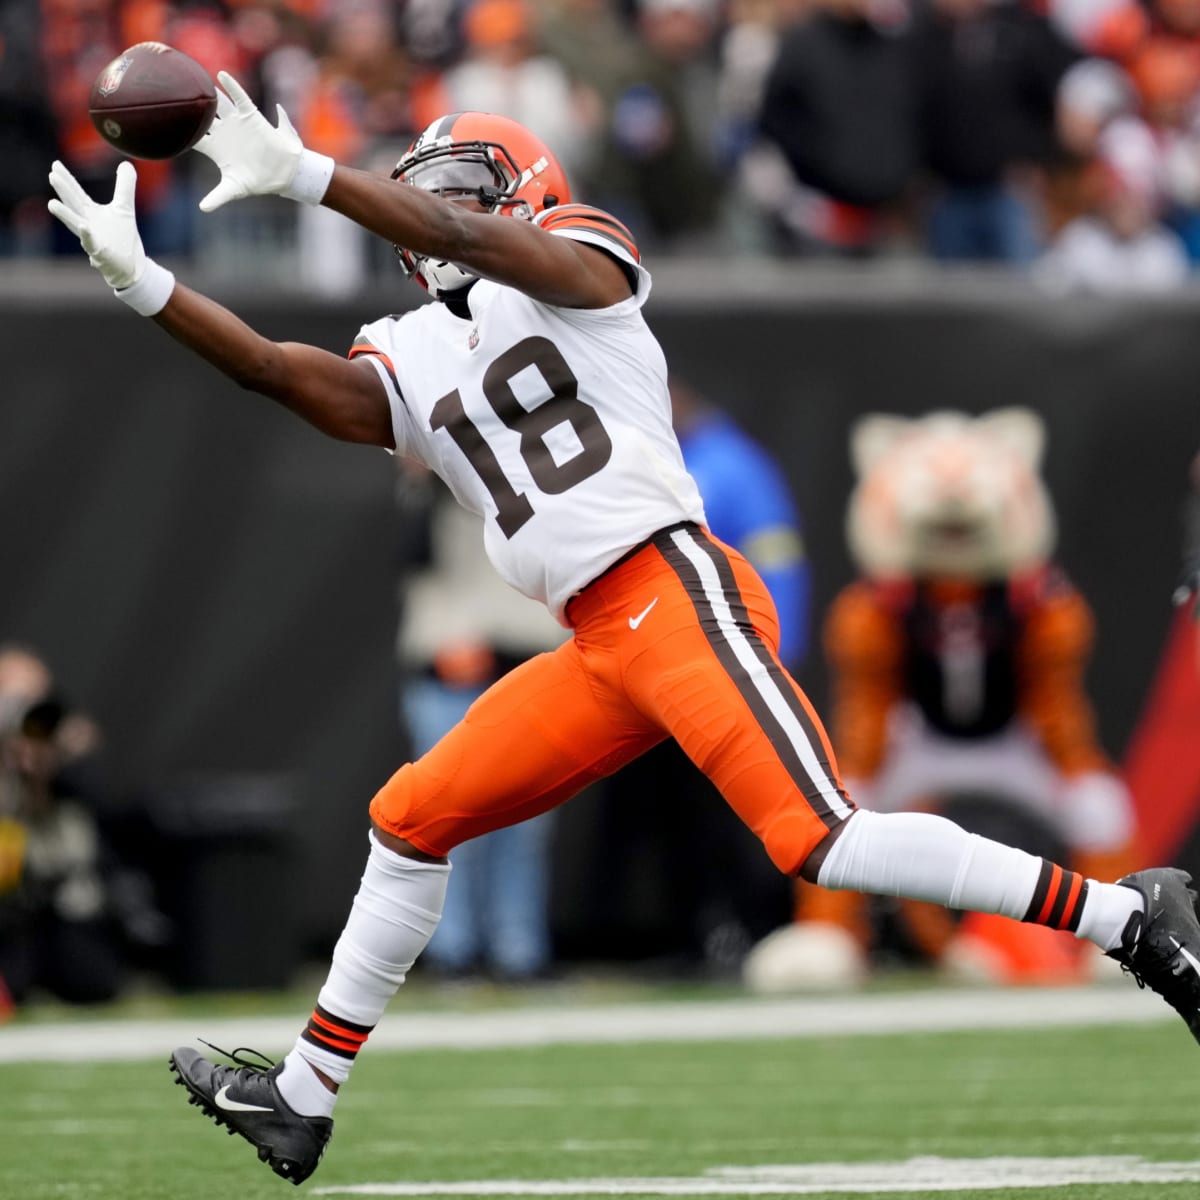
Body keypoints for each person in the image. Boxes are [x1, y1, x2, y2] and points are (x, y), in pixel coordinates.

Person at [47, 73, 1200, 1186]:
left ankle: (1130, 917)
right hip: (598, 637)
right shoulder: (412, 344)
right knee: (408, 818)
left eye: (463, 189)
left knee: (820, 839)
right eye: (430, 194)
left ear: (526, 183)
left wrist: (310, 173)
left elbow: (505, 249)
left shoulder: (580, 254)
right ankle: (302, 1094)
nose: (443, 216)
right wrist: (147, 286)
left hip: (674, 588)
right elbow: (276, 374)